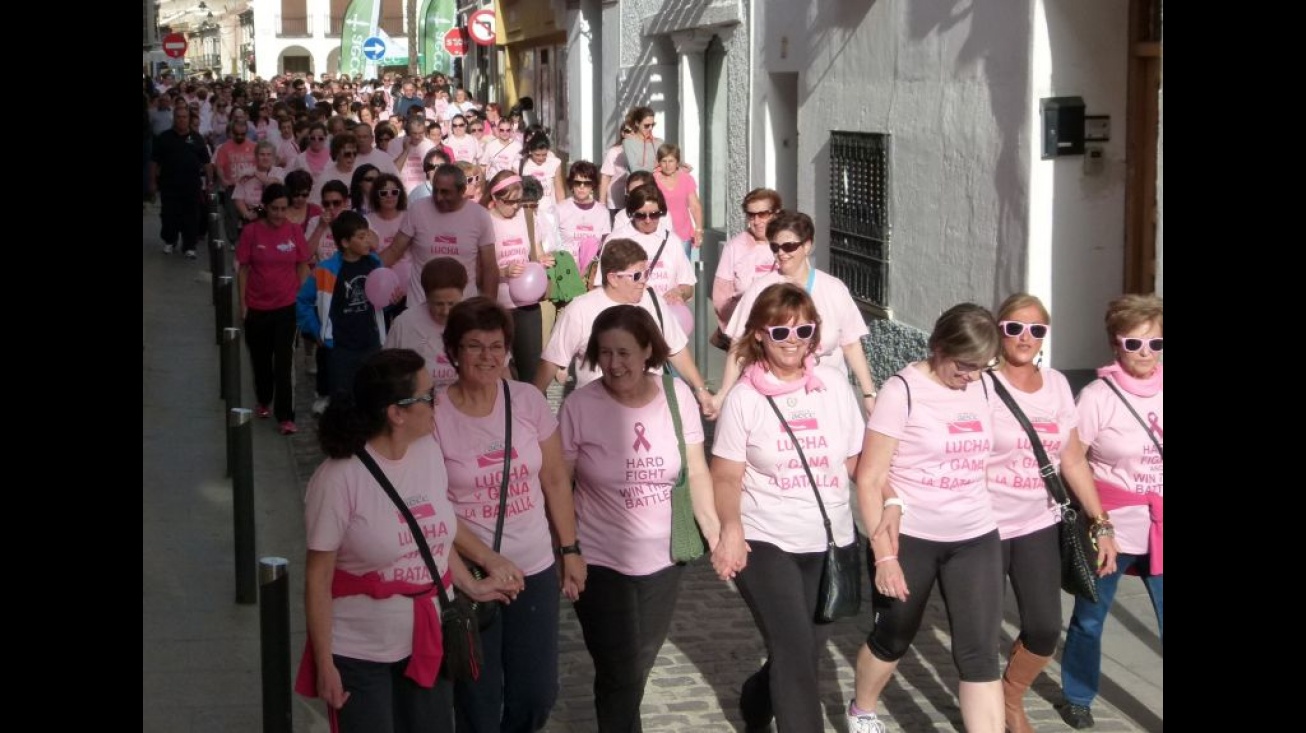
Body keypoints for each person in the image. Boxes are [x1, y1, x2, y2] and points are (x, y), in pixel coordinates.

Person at [297, 348, 523, 733]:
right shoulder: (337, 479)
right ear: (396, 413)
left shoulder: (428, 454)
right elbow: (318, 579)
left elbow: (435, 535)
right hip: (359, 651)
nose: (437, 402)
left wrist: (470, 584)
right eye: (428, 396)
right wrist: (325, 664)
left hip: (427, 640)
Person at [710, 283, 865, 733]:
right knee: (797, 654)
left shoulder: (834, 387)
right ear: (759, 333)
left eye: (803, 329)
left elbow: (856, 460)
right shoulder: (745, 399)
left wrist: (891, 500)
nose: (793, 339)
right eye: (780, 330)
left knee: (803, 649)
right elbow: (725, 474)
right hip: (766, 539)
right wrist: (731, 527)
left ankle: (757, 700)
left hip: (829, 537)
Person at [559, 305, 719, 733]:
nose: (614, 364)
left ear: (648, 350)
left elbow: (698, 471)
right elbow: (560, 484)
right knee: (619, 669)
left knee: (636, 667)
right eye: (605, 353)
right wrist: (567, 550)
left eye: (625, 352)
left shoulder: (677, 396)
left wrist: (717, 533)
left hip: (663, 558)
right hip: (600, 558)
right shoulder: (579, 406)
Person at [849, 303, 1004, 733]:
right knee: (894, 636)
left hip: (975, 535)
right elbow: (869, 477)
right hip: (909, 537)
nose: (972, 375)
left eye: (982, 365)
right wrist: (884, 556)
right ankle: (862, 708)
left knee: (979, 652)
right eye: (964, 364)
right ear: (938, 347)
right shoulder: (903, 391)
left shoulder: (985, 387)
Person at [433, 297, 586, 733]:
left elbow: (555, 479)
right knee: (477, 702)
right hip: (473, 575)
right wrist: (487, 558)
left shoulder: (527, 401)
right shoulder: (436, 416)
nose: (487, 357)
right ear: (454, 352)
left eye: (496, 346)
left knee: (537, 693)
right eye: (475, 346)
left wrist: (570, 549)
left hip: (533, 569)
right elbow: (434, 507)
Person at [986, 293, 1119, 733]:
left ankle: (1010, 695)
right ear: (998, 329)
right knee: (981, 631)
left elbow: (1073, 459)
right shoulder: (980, 384)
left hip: (1038, 521)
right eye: (1014, 328)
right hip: (982, 525)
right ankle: (986, 714)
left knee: (1044, 628)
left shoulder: (1059, 384)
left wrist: (1100, 522)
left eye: (1036, 330)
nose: (1025, 337)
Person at [1059, 294, 1163, 731]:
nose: (1145, 353)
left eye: (1155, 343)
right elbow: (1071, 458)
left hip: (1161, 524)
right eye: (1134, 343)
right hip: (1111, 525)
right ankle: (1078, 695)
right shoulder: (1098, 396)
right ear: (1115, 345)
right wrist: (1097, 519)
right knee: (1088, 620)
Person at [715, 211, 878, 419]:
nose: (781, 253)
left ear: (807, 245)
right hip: (775, 396)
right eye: (775, 247)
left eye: (789, 246)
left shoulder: (833, 289)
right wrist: (723, 394)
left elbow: (851, 344)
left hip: (827, 395)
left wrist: (868, 393)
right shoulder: (760, 290)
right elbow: (739, 346)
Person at [532, 239, 713, 416]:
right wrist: (530, 405)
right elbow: (551, 361)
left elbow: (676, 349)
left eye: (646, 273)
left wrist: (701, 390)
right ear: (613, 278)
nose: (643, 281)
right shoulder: (580, 309)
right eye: (636, 276)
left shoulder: (652, 299)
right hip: (597, 415)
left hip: (650, 411)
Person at [234, 183, 313, 435]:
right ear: (265, 208)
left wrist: (303, 298)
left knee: (284, 362)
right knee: (260, 361)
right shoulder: (251, 232)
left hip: (287, 307)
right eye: (274, 209)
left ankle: (286, 416)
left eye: (283, 209)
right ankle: (263, 399)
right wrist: (242, 303)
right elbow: (243, 269)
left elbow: (303, 265)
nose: (279, 214)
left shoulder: (293, 231)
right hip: (257, 306)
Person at [297, 210, 388, 409]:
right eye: (361, 237)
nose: (367, 241)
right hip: (340, 347)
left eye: (367, 235)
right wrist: (317, 330)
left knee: (370, 397)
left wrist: (390, 296)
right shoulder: (325, 270)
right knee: (342, 399)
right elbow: (302, 301)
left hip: (370, 342)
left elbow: (382, 297)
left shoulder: (374, 263)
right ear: (345, 243)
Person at [383, 164, 498, 305]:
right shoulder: (417, 209)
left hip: (463, 310)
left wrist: (490, 309)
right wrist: (362, 266)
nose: (438, 197)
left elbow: (490, 267)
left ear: (462, 190)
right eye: (435, 191)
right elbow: (394, 251)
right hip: (420, 307)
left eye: (445, 192)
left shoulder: (480, 216)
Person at [480, 171, 554, 386]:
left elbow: (536, 252)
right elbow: (477, 269)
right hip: (496, 305)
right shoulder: (484, 221)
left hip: (527, 304)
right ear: (495, 198)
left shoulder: (527, 217)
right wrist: (503, 271)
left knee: (531, 371)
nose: (515, 207)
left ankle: (534, 414)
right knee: (498, 369)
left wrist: (543, 260)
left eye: (519, 201)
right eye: (511, 202)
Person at [599, 185, 695, 305]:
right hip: (628, 315)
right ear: (631, 213)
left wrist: (679, 292)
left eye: (654, 215)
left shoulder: (672, 240)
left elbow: (688, 286)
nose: (648, 220)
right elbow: (600, 285)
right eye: (641, 215)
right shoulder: (616, 239)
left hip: (664, 314)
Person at [712, 189, 781, 351]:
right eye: (751, 215)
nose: (756, 221)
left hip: (782, 334)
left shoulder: (787, 245)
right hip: (746, 335)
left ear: (776, 214)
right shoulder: (734, 247)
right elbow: (721, 297)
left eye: (763, 214)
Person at [385, 258, 467, 390]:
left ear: (462, 295)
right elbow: (387, 370)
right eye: (438, 304)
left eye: (452, 304)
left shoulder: (473, 321)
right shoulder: (404, 323)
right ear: (426, 297)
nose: (446, 311)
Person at [151, 102, 214, 258]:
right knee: (169, 215)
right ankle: (170, 241)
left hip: (191, 185)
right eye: (178, 117)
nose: (181, 120)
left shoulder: (197, 138)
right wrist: (152, 182)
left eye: (184, 117)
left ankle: (189, 246)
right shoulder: (164, 138)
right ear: (174, 118)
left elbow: (206, 163)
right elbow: (154, 162)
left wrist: (210, 182)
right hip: (169, 185)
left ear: (188, 118)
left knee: (191, 216)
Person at [555, 160, 611, 276]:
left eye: (587, 183)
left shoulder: (602, 212)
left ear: (593, 185)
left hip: (592, 273)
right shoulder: (559, 209)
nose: (582, 187)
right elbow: (551, 243)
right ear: (571, 184)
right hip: (565, 271)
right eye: (577, 182)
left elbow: (605, 246)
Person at [653, 143, 703, 254]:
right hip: (659, 232)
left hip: (683, 233)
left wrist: (698, 230)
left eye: (671, 161)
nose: (667, 165)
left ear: (677, 162)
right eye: (664, 161)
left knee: (683, 269)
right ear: (659, 162)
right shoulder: (653, 180)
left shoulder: (686, 179)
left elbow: (695, 206)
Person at [232, 141, 287, 224]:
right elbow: (238, 198)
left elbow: (275, 184)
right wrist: (246, 214)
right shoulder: (245, 173)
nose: (265, 157)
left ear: (273, 157)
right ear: (256, 156)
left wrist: (256, 174)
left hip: (274, 215)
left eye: (269, 154)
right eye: (262, 154)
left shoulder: (279, 171)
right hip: (252, 214)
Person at [621, 106, 662, 174]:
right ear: (637, 123)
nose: (650, 128)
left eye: (653, 125)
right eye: (646, 125)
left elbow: (668, 163)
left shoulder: (659, 142)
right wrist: (658, 167)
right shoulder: (628, 143)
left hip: (656, 183)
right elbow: (635, 169)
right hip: (639, 182)